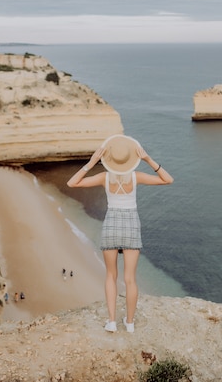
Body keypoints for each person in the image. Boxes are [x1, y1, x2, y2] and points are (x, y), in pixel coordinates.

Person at [67, 134, 173, 333]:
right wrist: (148, 159)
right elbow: (168, 179)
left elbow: (72, 183)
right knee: (130, 279)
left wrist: (91, 162)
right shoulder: (136, 177)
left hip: (111, 225)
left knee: (110, 275)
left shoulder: (103, 177)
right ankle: (130, 323)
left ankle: (112, 322)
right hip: (131, 224)